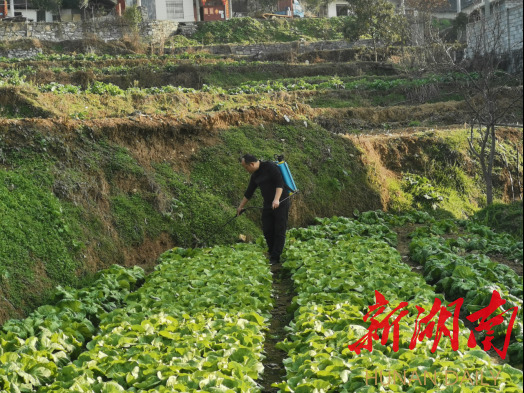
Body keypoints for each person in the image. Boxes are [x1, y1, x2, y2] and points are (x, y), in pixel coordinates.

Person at [237, 154, 291, 265]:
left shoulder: (270, 167)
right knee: (267, 229)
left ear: (251, 164)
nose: (246, 170)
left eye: (246, 167)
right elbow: (249, 192)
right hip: (268, 204)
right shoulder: (255, 175)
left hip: (281, 201)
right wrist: (240, 207)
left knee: (279, 230)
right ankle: (272, 253)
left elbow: (279, 183)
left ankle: (275, 258)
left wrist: (276, 200)